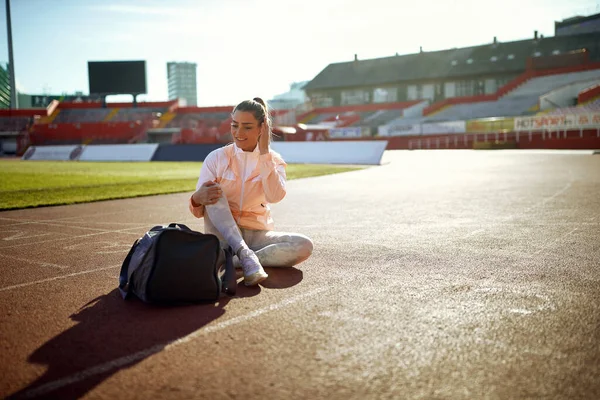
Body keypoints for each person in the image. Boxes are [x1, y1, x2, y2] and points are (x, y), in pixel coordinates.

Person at [189, 98, 314, 286]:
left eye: (247, 127)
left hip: (257, 234)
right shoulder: (216, 158)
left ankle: (238, 261)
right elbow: (198, 209)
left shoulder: (274, 160)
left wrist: (264, 153)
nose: (238, 133)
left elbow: (274, 196)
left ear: (261, 128)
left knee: (304, 245)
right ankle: (243, 254)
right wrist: (196, 199)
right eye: (235, 125)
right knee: (214, 191)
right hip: (222, 236)